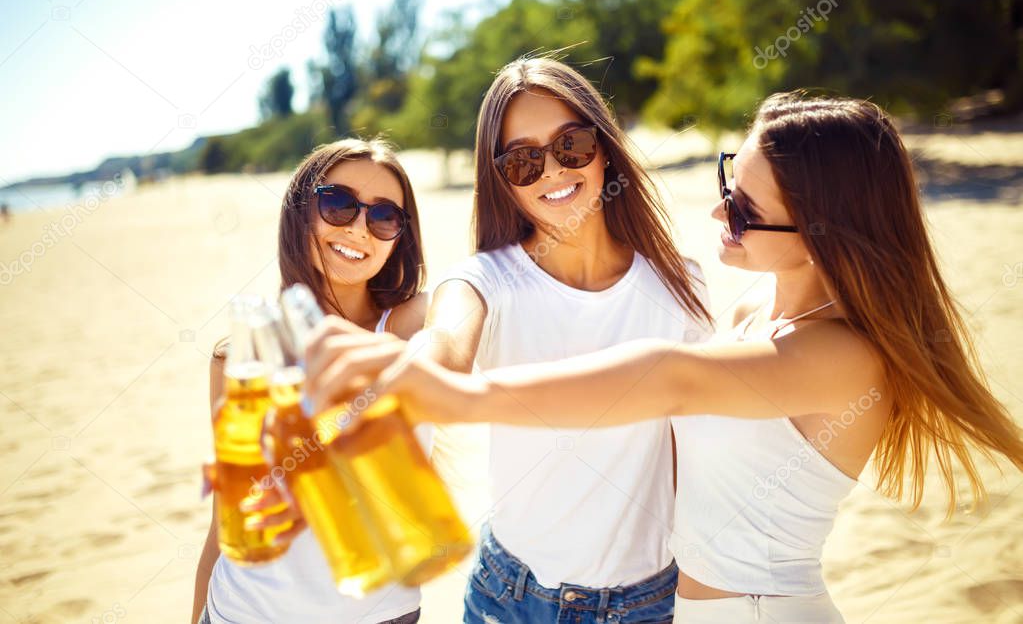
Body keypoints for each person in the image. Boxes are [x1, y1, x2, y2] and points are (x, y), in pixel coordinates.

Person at [304, 93, 1023, 623]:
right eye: (725, 185)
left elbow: (670, 379)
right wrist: (415, 363)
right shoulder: (745, 309)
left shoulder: (843, 360)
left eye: (742, 210)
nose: (718, 213)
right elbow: (454, 328)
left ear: (824, 232)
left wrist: (467, 400)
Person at [308, 56, 713, 623]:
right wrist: (403, 376)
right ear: (501, 178)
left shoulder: (680, 284)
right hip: (509, 598)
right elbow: (445, 345)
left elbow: (694, 453)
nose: (551, 170)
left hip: (647, 602)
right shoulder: (483, 280)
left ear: (604, 147)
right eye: (522, 159)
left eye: (570, 145)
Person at [192, 138, 429, 624]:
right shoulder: (240, 358)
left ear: (398, 237)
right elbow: (224, 523)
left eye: (384, 217)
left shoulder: (416, 326)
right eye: (338, 204)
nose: (360, 228)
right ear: (302, 212)